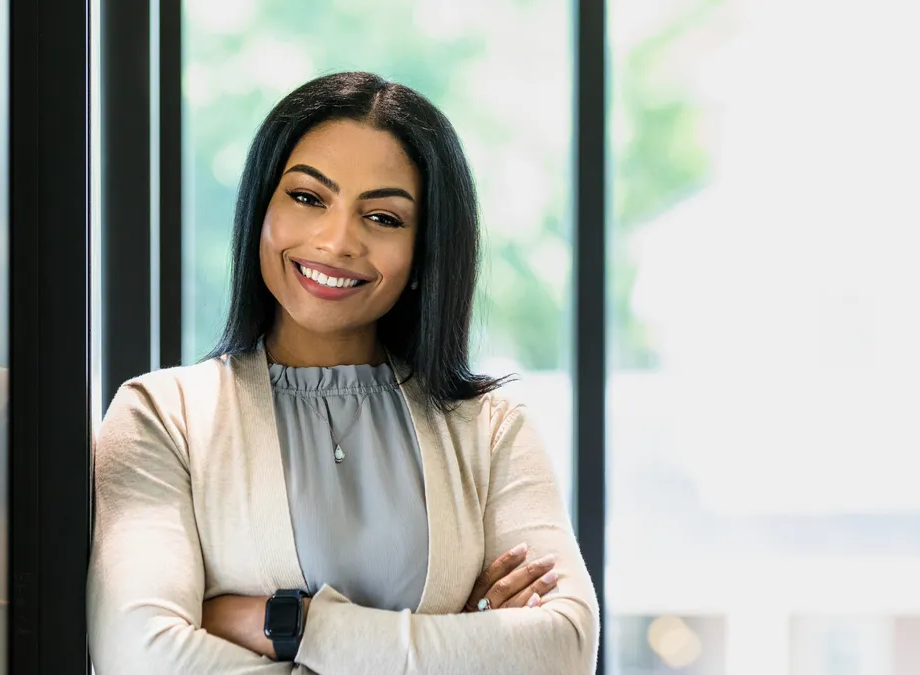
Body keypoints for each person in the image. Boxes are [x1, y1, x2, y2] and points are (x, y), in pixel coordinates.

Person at [87, 71, 599, 674]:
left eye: (383, 217)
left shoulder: (489, 430)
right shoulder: (161, 417)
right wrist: (455, 643)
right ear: (261, 212)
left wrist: (287, 625)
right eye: (307, 198)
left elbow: (560, 649)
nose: (336, 241)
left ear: (422, 253)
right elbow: (142, 657)